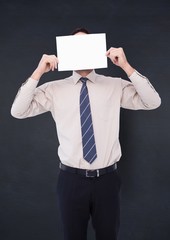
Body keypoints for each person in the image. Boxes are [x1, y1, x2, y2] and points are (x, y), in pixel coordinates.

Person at [11, 27, 161, 240]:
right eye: (75, 47)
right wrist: (38, 72)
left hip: (107, 180)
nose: (81, 51)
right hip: (71, 180)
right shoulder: (53, 89)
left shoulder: (114, 85)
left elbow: (153, 102)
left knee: (108, 236)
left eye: (86, 46)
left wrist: (126, 67)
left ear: (97, 50)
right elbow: (18, 111)